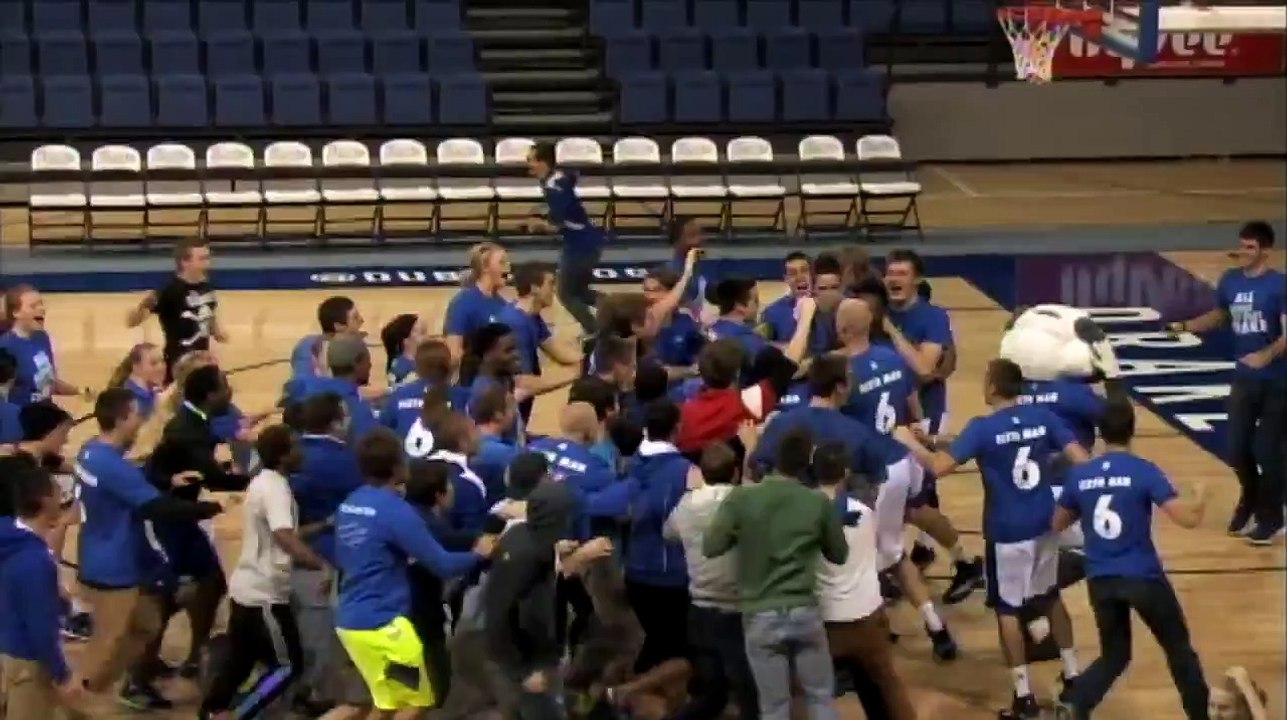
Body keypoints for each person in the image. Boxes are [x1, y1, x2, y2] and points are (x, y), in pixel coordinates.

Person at [892, 358, 1090, 720]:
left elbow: (938, 467)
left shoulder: (984, 428)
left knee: (1008, 611)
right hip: (1046, 524)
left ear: (994, 387)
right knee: (1050, 598)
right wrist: (935, 440)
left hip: (1007, 532)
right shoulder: (1043, 418)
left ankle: (1023, 697)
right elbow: (1081, 459)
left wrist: (908, 443)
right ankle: (1074, 673)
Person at [752, 353, 957, 661]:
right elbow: (877, 478)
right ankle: (935, 627)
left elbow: (759, 467)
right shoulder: (855, 432)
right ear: (840, 388)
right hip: (844, 522)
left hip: (798, 525)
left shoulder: (782, 423)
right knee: (891, 558)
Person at [1052, 400, 1212, 720]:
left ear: (1100, 432)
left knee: (1115, 655)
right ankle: (1200, 715)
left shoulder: (1082, 475)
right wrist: (1201, 495)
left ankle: (1076, 703)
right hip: (1143, 578)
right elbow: (1188, 519)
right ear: (1132, 430)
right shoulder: (1144, 471)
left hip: (1100, 579)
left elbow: (1056, 524)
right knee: (1178, 649)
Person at [74, 387, 220, 709]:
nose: (140, 422)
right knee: (108, 641)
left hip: (99, 553)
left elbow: (125, 485)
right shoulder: (114, 467)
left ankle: (98, 684)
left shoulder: (91, 452)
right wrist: (212, 508)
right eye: (137, 415)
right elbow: (157, 509)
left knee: (147, 623)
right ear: (123, 418)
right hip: (113, 568)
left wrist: (167, 481)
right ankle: (80, 696)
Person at [333, 429, 494, 717]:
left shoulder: (351, 504)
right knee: (418, 703)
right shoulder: (396, 512)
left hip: (350, 620)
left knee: (385, 705)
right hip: (385, 626)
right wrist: (478, 555)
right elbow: (442, 564)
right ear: (397, 467)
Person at [836, 297, 984, 606]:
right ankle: (966, 561)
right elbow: (913, 404)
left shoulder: (844, 372)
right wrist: (920, 432)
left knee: (869, 526)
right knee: (917, 510)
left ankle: (877, 585)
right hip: (905, 451)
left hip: (874, 463)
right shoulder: (893, 358)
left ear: (842, 328)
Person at [705, 427, 848, 720]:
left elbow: (711, 546)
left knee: (774, 707)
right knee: (821, 700)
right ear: (806, 464)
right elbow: (839, 555)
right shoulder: (817, 502)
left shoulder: (741, 499)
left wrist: (742, 533)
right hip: (805, 612)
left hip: (759, 615)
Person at [1168, 220, 1284, 545]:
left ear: (1265, 251)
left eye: (1250, 247)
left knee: (1269, 452)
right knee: (1236, 449)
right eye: (1242, 245)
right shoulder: (1230, 281)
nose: (1243, 252)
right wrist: (1185, 326)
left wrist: (1266, 355)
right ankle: (1250, 498)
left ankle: (1271, 519)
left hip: (1278, 383)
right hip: (1245, 379)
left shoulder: (1279, 285)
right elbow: (1222, 315)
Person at [200, 425, 327, 720]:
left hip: (246, 588)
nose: (302, 453)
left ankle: (212, 710)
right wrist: (317, 565)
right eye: (296, 446)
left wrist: (325, 524)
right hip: (265, 595)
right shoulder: (277, 489)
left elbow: (283, 531)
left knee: (241, 660)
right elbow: (284, 536)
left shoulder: (263, 482)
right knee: (288, 666)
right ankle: (239, 715)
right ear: (283, 456)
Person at [143, 365, 251, 690]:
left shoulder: (194, 423)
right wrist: (261, 475)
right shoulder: (187, 431)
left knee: (212, 582)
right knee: (168, 597)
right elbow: (215, 479)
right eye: (225, 386)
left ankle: (193, 655)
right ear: (210, 396)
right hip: (169, 521)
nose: (230, 391)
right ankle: (139, 674)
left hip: (182, 517)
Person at [811, 441, 916, 720]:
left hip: (827, 623)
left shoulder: (805, 514)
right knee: (887, 687)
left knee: (811, 696)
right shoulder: (866, 513)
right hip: (867, 618)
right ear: (845, 472)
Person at [663, 441, 759, 720]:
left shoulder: (687, 504)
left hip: (700, 613)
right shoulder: (746, 503)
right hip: (737, 615)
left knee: (713, 695)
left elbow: (669, 534)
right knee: (750, 695)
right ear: (735, 473)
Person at [882, 249, 958, 566]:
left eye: (902, 273)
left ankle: (946, 555)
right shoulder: (877, 310)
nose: (894, 279)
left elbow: (925, 368)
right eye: (890, 273)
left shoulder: (932, 317)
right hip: (890, 413)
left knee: (922, 483)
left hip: (926, 412)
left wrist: (889, 331)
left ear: (917, 279)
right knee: (899, 485)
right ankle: (910, 551)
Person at [485, 480, 580, 719]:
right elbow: (500, 613)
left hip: (535, 652)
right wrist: (523, 671)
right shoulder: (525, 558)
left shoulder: (522, 534)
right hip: (529, 659)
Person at [622, 400, 692, 674]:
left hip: (634, 571)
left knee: (655, 644)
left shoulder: (628, 464)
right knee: (674, 650)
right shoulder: (685, 471)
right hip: (670, 576)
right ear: (677, 429)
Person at [527, 141, 608, 336]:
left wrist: (540, 226)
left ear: (543, 163)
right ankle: (614, 309)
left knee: (566, 294)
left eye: (531, 160)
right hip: (587, 241)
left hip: (580, 246)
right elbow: (571, 182)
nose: (528, 165)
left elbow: (563, 224)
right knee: (580, 292)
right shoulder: (556, 179)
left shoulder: (554, 188)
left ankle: (595, 329)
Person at [125, 238, 227, 381]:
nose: (208, 263)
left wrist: (216, 331)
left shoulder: (206, 286)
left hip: (202, 361)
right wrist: (139, 311)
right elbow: (135, 319)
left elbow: (208, 312)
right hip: (177, 364)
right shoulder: (169, 291)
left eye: (208, 258)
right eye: (202, 259)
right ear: (185, 262)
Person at [498, 261, 581, 426]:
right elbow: (523, 384)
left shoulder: (531, 316)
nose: (553, 290)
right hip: (503, 414)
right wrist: (572, 376)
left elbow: (559, 352)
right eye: (550, 284)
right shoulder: (516, 324)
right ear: (535, 288)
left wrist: (587, 357)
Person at [0, 285, 81, 406]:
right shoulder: (6, 347)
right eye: (33, 306)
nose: (41, 309)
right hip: (21, 420)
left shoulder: (42, 338)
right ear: (16, 312)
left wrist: (79, 392)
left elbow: (49, 382)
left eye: (41, 304)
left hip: (43, 416)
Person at [291, 335, 379, 443]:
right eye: (367, 360)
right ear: (357, 364)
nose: (370, 365)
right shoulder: (361, 412)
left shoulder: (303, 388)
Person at [443, 242, 511, 362]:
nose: (508, 268)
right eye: (502, 262)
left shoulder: (502, 303)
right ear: (485, 267)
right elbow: (453, 352)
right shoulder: (462, 303)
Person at [291, 296, 365, 381]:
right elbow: (303, 386)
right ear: (339, 326)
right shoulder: (307, 347)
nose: (361, 320)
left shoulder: (353, 345)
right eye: (355, 317)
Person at [469, 384, 520, 506]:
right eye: (511, 408)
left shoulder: (463, 441)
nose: (515, 414)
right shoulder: (506, 454)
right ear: (498, 415)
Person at [759, 251, 814, 348]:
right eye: (793, 273)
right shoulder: (771, 313)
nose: (799, 277)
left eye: (804, 270)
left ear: (812, 275)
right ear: (786, 279)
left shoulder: (827, 307)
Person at [380, 313, 428, 387]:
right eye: (422, 333)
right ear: (405, 340)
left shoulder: (425, 361)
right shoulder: (399, 367)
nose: (427, 338)